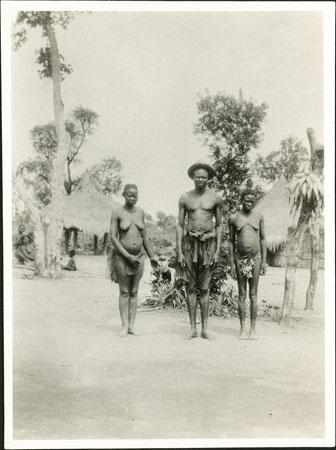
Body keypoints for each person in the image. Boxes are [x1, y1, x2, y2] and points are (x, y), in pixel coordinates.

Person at [176, 159, 223, 339]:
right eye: (197, 177)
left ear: (208, 178)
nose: (201, 180)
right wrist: (179, 251)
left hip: (208, 245)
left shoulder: (216, 198)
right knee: (189, 287)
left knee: (205, 288)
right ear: (193, 178)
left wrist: (217, 250)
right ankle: (192, 329)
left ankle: (204, 329)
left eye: (204, 177)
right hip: (189, 244)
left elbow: (219, 225)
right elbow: (180, 225)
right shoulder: (185, 198)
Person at [109, 184, 158, 337]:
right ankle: (124, 326)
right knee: (124, 292)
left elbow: (144, 237)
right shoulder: (117, 213)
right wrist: (127, 256)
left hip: (139, 258)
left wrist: (152, 256)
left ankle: (132, 326)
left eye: (135, 195)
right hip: (122, 258)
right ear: (123, 195)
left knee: (135, 292)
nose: (132, 198)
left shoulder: (141, 212)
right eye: (129, 195)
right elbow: (113, 238)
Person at [228, 189, 267, 340]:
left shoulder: (259, 217)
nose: (250, 203)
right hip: (240, 259)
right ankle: (242, 329)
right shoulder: (234, 218)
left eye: (252, 201)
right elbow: (231, 241)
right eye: (247, 201)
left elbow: (263, 239)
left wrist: (264, 261)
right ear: (241, 200)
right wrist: (231, 263)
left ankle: (253, 330)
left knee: (253, 294)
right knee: (242, 293)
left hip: (256, 258)